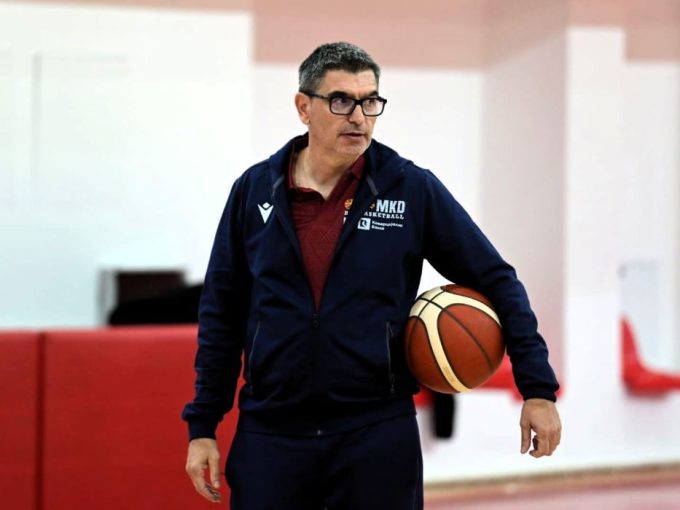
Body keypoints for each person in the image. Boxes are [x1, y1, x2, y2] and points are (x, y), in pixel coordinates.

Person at [182, 41, 562, 510]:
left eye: (370, 102)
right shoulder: (253, 190)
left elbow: (498, 279)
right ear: (303, 107)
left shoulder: (410, 188)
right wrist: (203, 425)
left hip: (376, 434)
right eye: (341, 101)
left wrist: (537, 388)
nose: (359, 117)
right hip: (272, 434)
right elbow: (221, 312)